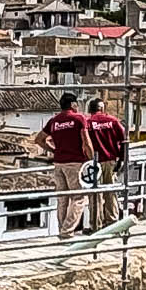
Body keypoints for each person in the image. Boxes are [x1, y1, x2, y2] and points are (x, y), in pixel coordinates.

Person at [41, 92, 93, 234]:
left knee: (62, 199)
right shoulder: (79, 118)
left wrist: (54, 150)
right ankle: (67, 231)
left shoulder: (54, 121)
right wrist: (92, 159)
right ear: (73, 104)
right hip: (75, 163)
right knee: (79, 198)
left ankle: (61, 230)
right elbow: (86, 141)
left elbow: (39, 140)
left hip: (58, 163)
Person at [82, 96, 129, 228]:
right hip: (110, 161)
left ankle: (95, 225)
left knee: (95, 195)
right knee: (110, 192)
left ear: (90, 110)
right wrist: (121, 160)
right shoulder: (112, 121)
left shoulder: (87, 123)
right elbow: (125, 141)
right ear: (102, 108)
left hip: (92, 163)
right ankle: (112, 222)